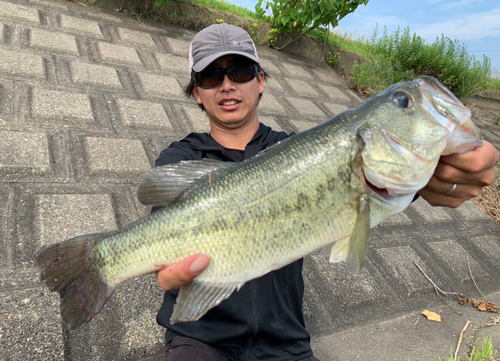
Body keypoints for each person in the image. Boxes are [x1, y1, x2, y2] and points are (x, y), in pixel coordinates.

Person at [153, 23, 499, 361]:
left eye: (240, 70)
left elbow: (373, 182)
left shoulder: (296, 149)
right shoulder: (180, 159)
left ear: (260, 82)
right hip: (200, 338)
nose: (227, 85)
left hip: (285, 343)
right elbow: (161, 243)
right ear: (196, 92)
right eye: (211, 76)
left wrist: (432, 178)